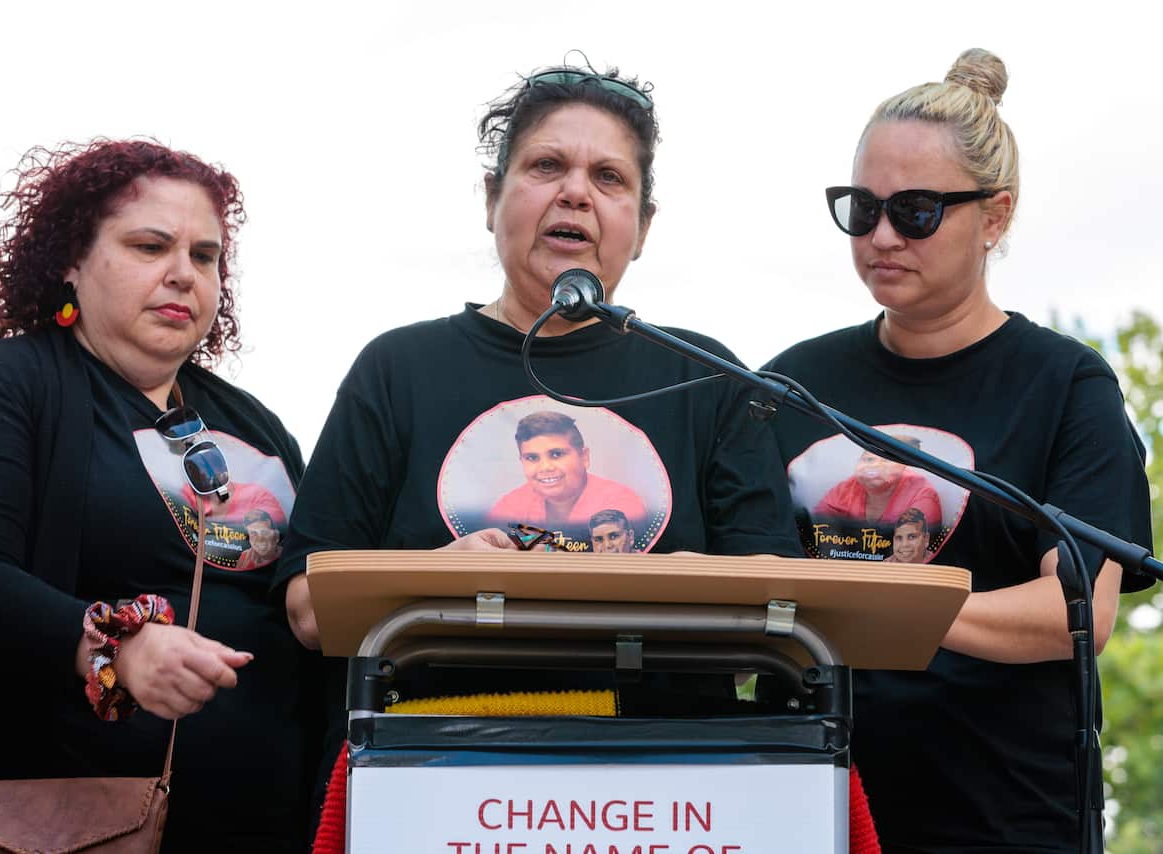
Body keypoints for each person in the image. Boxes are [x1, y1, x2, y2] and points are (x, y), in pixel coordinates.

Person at [276, 61, 804, 781]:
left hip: (669, 779)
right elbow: (307, 605)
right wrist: (425, 580)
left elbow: (781, 600)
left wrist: (693, 579)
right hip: (436, 770)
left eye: (610, 178)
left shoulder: (709, 378)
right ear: (492, 199)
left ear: (643, 227)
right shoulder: (398, 368)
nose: (576, 192)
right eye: (547, 165)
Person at [762, 49, 1154, 852]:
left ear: (996, 216)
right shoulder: (793, 383)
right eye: (860, 207)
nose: (879, 236)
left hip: (1004, 819)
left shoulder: (1065, 385)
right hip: (811, 808)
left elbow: (1076, 612)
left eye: (914, 211)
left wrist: (889, 609)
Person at [0, 140, 320, 853]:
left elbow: (307, 599)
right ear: (71, 260)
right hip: (63, 830)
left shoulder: (255, 425)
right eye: (150, 246)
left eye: (205, 256)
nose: (184, 274)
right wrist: (115, 646)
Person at [487, 410, 648, 531]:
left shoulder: (621, 505)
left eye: (556, 454)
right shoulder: (508, 507)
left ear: (584, 457)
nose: (545, 467)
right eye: (532, 458)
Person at [815, 436, 942, 529]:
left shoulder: (921, 493)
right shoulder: (846, 487)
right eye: (868, 459)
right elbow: (819, 528)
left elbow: (913, 546)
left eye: (886, 460)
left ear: (904, 466)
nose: (875, 465)